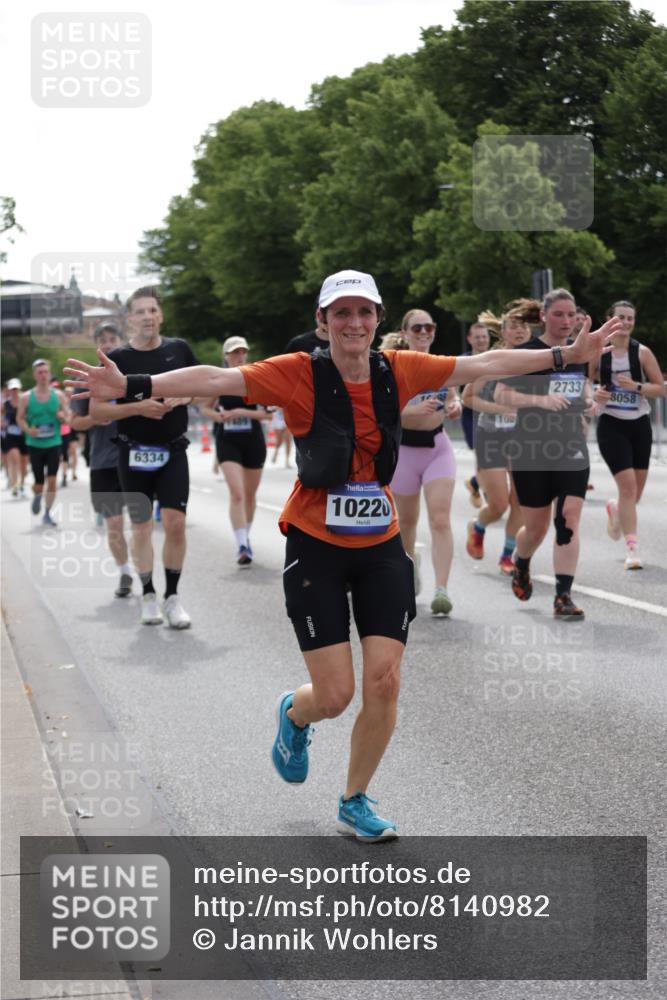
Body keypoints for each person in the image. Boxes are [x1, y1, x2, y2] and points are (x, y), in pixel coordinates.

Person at [65, 268, 620, 839]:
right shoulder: (296, 373)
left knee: (385, 681)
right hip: (317, 546)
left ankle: (354, 798)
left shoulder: (399, 369)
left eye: (364, 312)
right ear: (322, 322)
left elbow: (483, 365)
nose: (353, 323)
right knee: (335, 696)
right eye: (341, 313)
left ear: (379, 320)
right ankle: (295, 713)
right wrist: (133, 385)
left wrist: (563, 356)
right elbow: (213, 377)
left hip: (380, 547)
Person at [81, 287, 198, 628]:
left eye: (153, 310)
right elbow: (98, 408)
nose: (147, 316)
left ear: (160, 315)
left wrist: (182, 397)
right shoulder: (119, 359)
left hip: (174, 450)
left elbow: (201, 387)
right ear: (129, 319)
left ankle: (172, 597)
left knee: (175, 524)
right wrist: (139, 408)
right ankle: (148, 593)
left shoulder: (179, 350)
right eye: (140, 311)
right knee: (142, 526)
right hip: (133, 453)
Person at [494, 289, 603, 618]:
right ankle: (522, 562)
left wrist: (591, 402)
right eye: (559, 314)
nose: (566, 321)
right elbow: (501, 393)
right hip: (530, 449)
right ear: (543, 316)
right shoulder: (526, 353)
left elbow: (581, 387)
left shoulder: (579, 353)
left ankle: (562, 596)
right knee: (536, 529)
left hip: (570, 447)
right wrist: (539, 401)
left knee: (568, 519)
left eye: (571, 315)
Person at [382, 310, 462, 616]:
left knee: (440, 518)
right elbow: (381, 413)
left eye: (430, 327)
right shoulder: (395, 367)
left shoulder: (443, 364)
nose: (425, 332)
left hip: (438, 448)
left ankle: (441, 589)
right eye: (418, 328)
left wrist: (455, 406)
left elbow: (455, 397)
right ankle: (408, 569)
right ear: (405, 333)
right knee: (407, 523)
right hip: (404, 451)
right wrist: (413, 412)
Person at [70, 321, 151, 598]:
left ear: (121, 341)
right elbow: (74, 423)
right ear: (97, 347)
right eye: (102, 339)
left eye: (112, 338)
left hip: (136, 459)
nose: (107, 343)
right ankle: (125, 571)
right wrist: (92, 418)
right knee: (114, 525)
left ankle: (147, 577)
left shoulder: (137, 377)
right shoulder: (86, 381)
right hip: (103, 462)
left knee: (142, 525)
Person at [589, 300, 665, 570]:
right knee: (629, 489)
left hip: (639, 425)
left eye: (630, 318)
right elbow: (585, 384)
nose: (626, 322)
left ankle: (615, 508)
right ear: (610, 319)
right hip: (611, 424)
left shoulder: (642, 353)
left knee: (635, 494)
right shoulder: (598, 352)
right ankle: (632, 549)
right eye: (621, 316)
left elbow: (661, 389)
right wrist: (594, 395)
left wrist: (637, 386)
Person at [462, 306, 532, 574]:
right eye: (513, 325)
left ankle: (507, 556)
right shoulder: (494, 360)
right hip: (492, 436)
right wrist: (500, 409)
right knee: (500, 504)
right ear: (502, 332)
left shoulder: (538, 360)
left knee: (520, 501)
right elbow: (468, 397)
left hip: (525, 440)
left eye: (524, 325)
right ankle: (478, 525)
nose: (519, 330)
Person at [200, 336, 270, 566]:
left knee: (250, 496)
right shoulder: (219, 380)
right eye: (234, 353)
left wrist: (242, 411)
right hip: (227, 440)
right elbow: (205, 409)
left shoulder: (257, 377)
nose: (238, 357)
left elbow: (268, 414)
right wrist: (219, 416)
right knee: (237, 493)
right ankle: (241, 545)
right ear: (225, 356)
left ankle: (246, 536)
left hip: (253, 440)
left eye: (242, 352)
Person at [18, 359, 68, 526]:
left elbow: (68, 416)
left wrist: (63, 418)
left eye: (46, 372)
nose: (43, 375)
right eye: (40, 372)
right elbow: (20, 419)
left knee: (52, 480)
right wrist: (28, 430)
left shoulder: (59, 396)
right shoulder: (26, 397)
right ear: (35, 375)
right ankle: (38, 495)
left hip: (54, 443)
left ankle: (47, 513)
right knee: (39, 483)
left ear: (49, 374)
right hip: (34, 444)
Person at [460, 321, 491, 508]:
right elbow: (453, 386)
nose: (481, 340)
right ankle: (488, 494)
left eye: (484, 336)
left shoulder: (496, 357)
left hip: (492, 415)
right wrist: (454, 400)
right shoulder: (463, 360)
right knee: (483, 456)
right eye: (477, 337)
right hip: (471, 416)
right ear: (470, 339)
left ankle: (475, 483)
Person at [2, 378, 29, 497]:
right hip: (11, 435)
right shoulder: (6, 404)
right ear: (9, 390)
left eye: (16, 389)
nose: (14, 391)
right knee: (15, 460)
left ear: (19, 389)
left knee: (23, 463)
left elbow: (31, 415)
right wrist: (2, 423)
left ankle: (22, 484)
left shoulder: (25, 402)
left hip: (24, 435)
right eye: (12, 389)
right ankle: (14, 485)